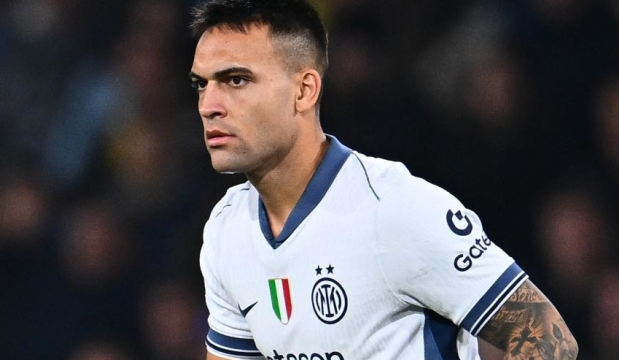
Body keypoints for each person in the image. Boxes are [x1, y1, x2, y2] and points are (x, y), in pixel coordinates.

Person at [188, 0, 578, 359]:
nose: (209, 106)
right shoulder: (227, 230)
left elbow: (548, 340)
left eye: (235, 80)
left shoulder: (395, 208)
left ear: (304, 90)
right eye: (201, 84)